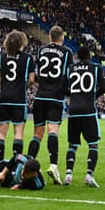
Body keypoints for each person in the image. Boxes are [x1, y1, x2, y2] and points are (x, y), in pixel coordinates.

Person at [27, 25, 73, 185]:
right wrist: (68, 92)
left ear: (50, 37)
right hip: (56, 97)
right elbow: (68, 74)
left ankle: (28, 164)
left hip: (40, 96)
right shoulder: (67, 52)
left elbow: (38, 73)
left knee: (37, 135)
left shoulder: (41, 51)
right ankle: (53, 165)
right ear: (61, 38)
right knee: (53, 131)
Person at [62, 46, 105, 187]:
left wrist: (74, 96)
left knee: (72, 145)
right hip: (88, 110)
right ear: (89, 55)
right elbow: (104, 88)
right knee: (93, 144)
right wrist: (92, 96)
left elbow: (64, 88)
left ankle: (68, 174)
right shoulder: (96, 67)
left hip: (74, 110)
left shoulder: (70, 68)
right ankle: (89, 175)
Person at [0, 30, 35, 161]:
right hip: (19, 99)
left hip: (4, 99)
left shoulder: (2, 57)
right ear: (21, 43)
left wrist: (6, 86)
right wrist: (23, 87)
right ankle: (14, 164)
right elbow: (32, 79)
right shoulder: (28, 58)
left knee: (1, 132)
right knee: (18, 132)